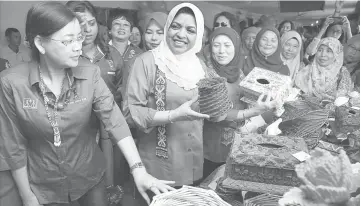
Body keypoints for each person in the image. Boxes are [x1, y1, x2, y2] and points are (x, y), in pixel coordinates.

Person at [0, 2, 174, 206]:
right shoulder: (12, 83)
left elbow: (114, 120)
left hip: (89, 178)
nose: (77, 47)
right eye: (68, 41)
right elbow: (13, 145)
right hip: (43, 186)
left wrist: (138, 169)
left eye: (79, 37)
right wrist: (27, 196)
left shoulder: (89, 73)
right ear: (40, 43)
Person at [122, 3, 210, 205]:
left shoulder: (200, 65)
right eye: (175, 26)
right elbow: (130, 113)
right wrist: (172, 115)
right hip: (160, 168)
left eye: (190, 30)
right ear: (168, 26)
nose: (181, 34)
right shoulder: (146, 62)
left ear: (198, 35)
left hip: (194, 162)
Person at [65, 0, 127, 191]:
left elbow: (122, 91)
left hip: (110, 126)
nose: (87, 30)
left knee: (113, 174)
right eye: (80, 24)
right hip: (78, 131)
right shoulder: (66, 58)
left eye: (91, 23)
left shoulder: (111, 55)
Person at [202, 27, 278, 178]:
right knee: (213, 182)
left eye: (227, 45)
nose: (221, 51)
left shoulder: (238, 72)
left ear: (236, 47)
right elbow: (216, 113)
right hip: (213, 144)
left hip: (238, 140)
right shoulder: (208, 74)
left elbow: (243, 96)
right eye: (216, 45)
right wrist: (252, 112)